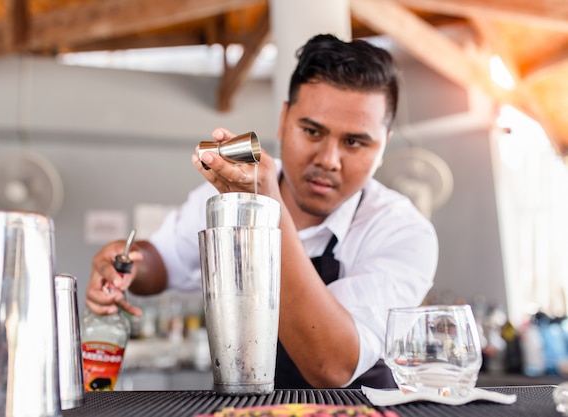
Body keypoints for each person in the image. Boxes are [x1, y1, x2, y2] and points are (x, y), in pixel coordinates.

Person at [86, 33, 438, 389]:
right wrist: (124, 260)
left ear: (383, 147)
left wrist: (267, 208)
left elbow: (332, 366)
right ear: (284, 119)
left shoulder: (402, 231)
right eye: (312, 131)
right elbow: (159, 263)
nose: (329, 160)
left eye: (354, 142)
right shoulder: (234, 190)